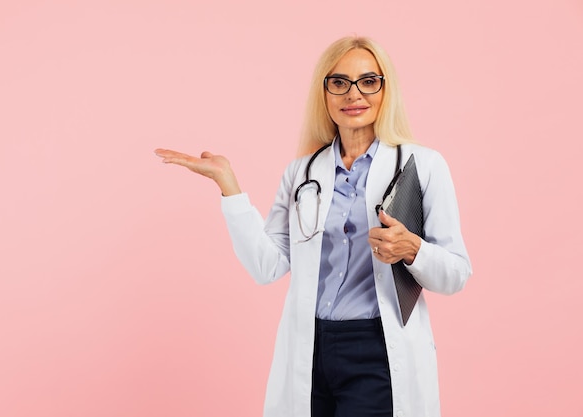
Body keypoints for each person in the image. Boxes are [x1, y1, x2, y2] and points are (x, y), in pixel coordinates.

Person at [155, 36, 471, 417]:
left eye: (368, 81)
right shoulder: (302, 172)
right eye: (339, 82)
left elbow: (456, 273)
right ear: (324, 93)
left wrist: (412, 249)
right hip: (311, 347)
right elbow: (266, 266)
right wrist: (229, 186)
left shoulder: (423, 165)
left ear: (386, 89)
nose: (353, 94)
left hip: (377, 351)